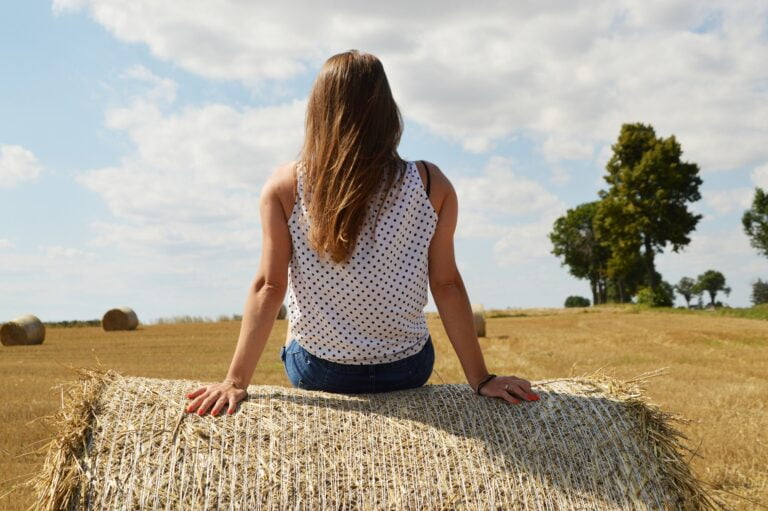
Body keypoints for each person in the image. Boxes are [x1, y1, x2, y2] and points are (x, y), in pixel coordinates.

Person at [185, 50, 539, 417]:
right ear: (388, 112)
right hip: (408, 368)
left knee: (295, 322)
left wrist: (235, 382)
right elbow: (446, 284)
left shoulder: (285, 185)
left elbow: (270, 287)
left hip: (320, 371)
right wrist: (481, 378)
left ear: (318, 112)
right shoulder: (432, 183)